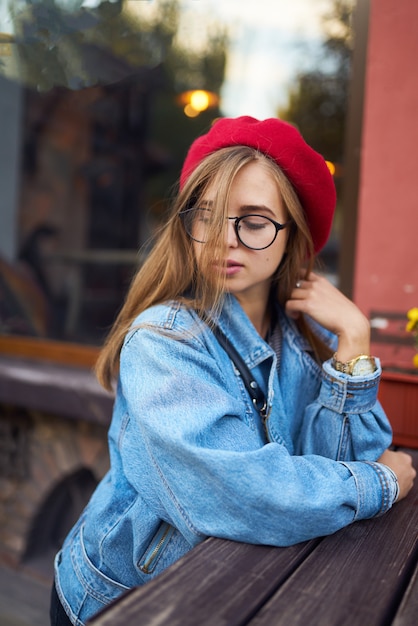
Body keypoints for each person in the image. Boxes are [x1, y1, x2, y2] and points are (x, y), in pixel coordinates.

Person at [50, 116, 415, 626]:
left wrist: (355, 337)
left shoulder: (310, 340)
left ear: (293, 235)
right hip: (128, 599)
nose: (227, 240)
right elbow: (244, 495)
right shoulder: (165, 341)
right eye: (209, 216)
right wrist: (377, 485)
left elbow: (345, 459)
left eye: (255, 221)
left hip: (248, 588)